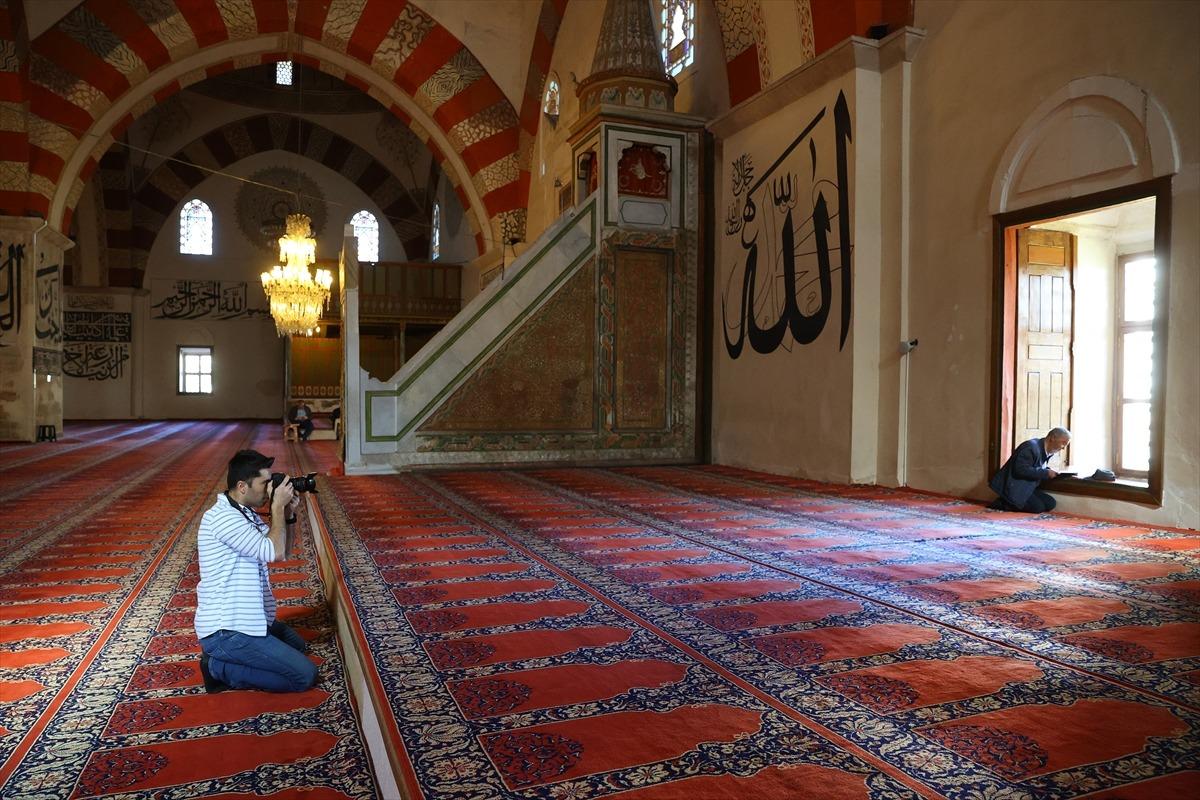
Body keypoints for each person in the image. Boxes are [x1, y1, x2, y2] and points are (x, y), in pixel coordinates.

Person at [194, 450, 317, 692]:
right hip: (227, 630)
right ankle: (218, 668)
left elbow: (281, 552)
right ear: (242, 486)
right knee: (304, 676)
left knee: (298, 646)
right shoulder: (223, 519)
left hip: (249, 618)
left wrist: (288, 514)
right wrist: (277, 508)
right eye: (264, 483)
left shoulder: (244, 514)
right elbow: (273, 551)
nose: (268, 489)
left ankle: (241, 656)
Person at [988, 427, 1071, 513]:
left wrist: (1050, 471)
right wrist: (1046, 473)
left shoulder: (1047, 449)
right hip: (1013, 486)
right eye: (1063, 443)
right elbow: (1020, 470)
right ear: (1053, 438)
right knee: (1038, 508)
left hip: (1027, 486)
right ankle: (1002, 502)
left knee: (1050, 503)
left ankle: (1010, 501)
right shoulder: (1030, 447)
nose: (1063, 448)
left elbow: (1036, 466)